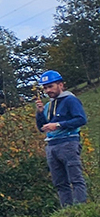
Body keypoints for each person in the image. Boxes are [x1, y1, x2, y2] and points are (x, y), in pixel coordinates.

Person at [36, 71, 88, 208]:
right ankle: (67, 210)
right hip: (51, 145)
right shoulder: (48, 105)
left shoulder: (70, 100)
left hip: (68, 142)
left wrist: (58, 125)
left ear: (60, 85)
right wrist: (40, 113)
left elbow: (81, 119)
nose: (48, 91)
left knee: (75, 177)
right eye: (45, 88)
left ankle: (81, 208)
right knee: (59, 182)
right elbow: (42, 128)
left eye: (51, 86)